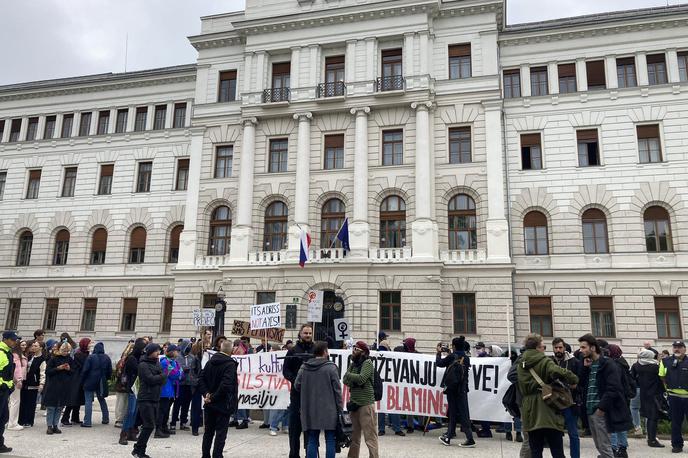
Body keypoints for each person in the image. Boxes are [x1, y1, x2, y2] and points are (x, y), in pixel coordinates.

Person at [517, 333, 578, 458]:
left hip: (529, 409)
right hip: (547, 406)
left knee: (535, 451)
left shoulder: (520, 364)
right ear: (537, 348)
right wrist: (573, 378)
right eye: (543, 347)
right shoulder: (544, 361)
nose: (544, 349)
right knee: (557, 450)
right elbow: (558, 371)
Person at [578, 334, 633, 458]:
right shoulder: (589, 365)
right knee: (600, 447)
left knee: (606, 448)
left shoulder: (607, 364)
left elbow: (613, 388)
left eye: (583, 347)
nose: (581, 350)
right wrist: (585, 368)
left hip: (601, 411)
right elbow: (580, 384)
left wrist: (601, 408)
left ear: (592, 348)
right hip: (590, 410)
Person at [294, 341, 342, 458]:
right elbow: (337, 391)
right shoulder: (331, 368)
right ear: (325, 352)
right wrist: (340, 408)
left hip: (310, 408)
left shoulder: (304, 367)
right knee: (330, 439)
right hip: (329, 409)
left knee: (312, 439)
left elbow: (296, 385)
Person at [199, 339, 238, 458]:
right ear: (231, 350)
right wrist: (211, 397)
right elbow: (226, 385)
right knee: (220, 434)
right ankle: (217, 455)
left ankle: (205, 455)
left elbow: (201, 379)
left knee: (208, 432)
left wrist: (206, 395)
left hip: (210, 403)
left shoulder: (210, 362)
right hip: (222, 403)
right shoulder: (230, 364)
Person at [283, 324, 315, 458]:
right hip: (296, 395)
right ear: (300, 334)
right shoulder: (292, 350)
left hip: (313, 395)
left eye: (309, 333)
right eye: (305, 333)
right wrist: (295, 380)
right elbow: (286, 370)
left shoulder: (316, 349)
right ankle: (294, 454)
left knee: (311, 429)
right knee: (295, 428)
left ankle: (310, 453)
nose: (308, 335)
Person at [436, 336, 474, 448]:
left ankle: (448, 437)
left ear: (454, 346)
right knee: (464, 413)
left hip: (452, 389)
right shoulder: (466, 358)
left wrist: (438, 353)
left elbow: (439, 363)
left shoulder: (452, 356)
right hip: (462, 389)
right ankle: (467, 437)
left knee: (452, 413)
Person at [343, 341, 379, 458]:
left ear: (363, 352)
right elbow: (345, 380)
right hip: (354, 404)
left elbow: (361, 378)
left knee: (370, 437)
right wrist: (350, 376)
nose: (353, 351)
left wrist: (349, 375)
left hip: (366, 404)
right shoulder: (353, 364)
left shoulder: (368, 363)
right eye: (353, 348)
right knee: (354, 436)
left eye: (356, 349)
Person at [133, 343, 167, 458]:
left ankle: (139, 449)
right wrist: (161, 376)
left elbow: (163, 379)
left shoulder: (157, 363)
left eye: (159, 351)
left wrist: (160, 377)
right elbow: (150, 379)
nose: (158, 353)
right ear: (150, 352)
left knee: (150, 425)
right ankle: (138, 450)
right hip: (145, 398)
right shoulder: (143, 365)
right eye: (156, 351)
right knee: (148, 425)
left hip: (155, 397)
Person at [551, 337, 581, 458]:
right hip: (555, 403)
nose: (558, 350)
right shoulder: (550, 361)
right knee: (556, 433)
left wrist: (574, 387)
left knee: (573, 434)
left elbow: (580, 381)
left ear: (564, 348)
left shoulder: (574, 362)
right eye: (556, 347)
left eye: (560, 347)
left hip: (570, 402)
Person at [631, 349, 665, 448]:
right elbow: (661, 379)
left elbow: (631, 378)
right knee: (653, 417)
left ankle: (647, 435)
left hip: (642, 393)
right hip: (654, 394)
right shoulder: (655, 367)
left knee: (645, 414)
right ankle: (652, 440)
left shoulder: (636, 366)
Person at [659, 339, 688, 453]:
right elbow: (661, 376)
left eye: (680, 347)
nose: (677, 349)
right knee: (676, 422)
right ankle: (677, 445)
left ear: (684, 349)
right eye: (675, 347)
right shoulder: (665, 361)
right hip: (674, 397)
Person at [607, 344, 635, 458]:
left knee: (613, 423)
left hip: (615, 397)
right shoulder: (623, 363)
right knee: (621, 424)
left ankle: (613, 448)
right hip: (623, 397)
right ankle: (623, 448)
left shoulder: (613, 365)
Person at [120, 338, 147, 446]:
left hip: (139, 387)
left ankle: (131, 432)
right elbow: (137, 370)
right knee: (130, 411)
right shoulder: (132, 358)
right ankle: (123, 433)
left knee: (135, 411)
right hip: (132, 387)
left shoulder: (141, 357)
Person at [376, 333, 403, 437]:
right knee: (391, 407)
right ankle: (396, 428)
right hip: (387, 383)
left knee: (384, 407)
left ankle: (382, 429)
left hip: (388, 383)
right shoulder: (389, 355)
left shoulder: (390, 356)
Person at [44, 342, 74, 435]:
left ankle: (55, 425)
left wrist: (69, 369)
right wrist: (58, 368)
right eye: (64, 351)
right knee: (51, 407)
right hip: (53, 385)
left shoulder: (70, 359)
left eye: (67, 351)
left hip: (64, 386)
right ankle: (49, 426)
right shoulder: (53, 359)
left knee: (59, 407)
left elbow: (73, 372)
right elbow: (48, 371)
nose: (66, 352)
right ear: (60, 350)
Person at [81, 342, 112, 427]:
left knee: (88, 401)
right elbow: (110, 371)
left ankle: (87, 422)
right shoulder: (107, 358)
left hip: (90, 381)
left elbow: (85, 370)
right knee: (102, 400)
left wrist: (82, 381)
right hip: (101, 381)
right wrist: (106, 379)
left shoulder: (91, 357)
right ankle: (105, 419)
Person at [62, 337, 89, 426]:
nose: (90, 345)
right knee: (72, 399)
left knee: (78, 399)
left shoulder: (84, 353)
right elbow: (83, 366)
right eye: (89, 344)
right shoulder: (80, 354)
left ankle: (75, 417)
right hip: (76, 379)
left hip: (79, 378)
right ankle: (65, 418)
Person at [171, 340, 196, 432]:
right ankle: (173, 423)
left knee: (186, 404)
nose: (189, 347)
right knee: (177, 404)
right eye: (188, 345)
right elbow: (174, 368)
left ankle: (183, 422)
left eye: (190, 345)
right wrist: (182, 370)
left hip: (189, 383)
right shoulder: (177, 357)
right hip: (179, 384)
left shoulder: (192, 357)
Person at [19, 339, 45, 427]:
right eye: (33, 346)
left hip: (34, 383)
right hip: (25, 382)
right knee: (23, 401)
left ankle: (29, 421)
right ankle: (21, 420)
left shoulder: (42, 359)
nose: (33, 347)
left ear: (40, 348)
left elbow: (42, 372)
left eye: (36, 346)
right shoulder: (29, 356)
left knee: (31, 403)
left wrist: (41, 384)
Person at [0, 331, 18, 453]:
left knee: (3, 417)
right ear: (5, 339)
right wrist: (3, 385)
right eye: (12, 339)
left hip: (4, 390)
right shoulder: (1, 352)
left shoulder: (8, 352)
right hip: (1, 389)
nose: (14, 342)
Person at [157, 344, 181, 437]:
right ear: (172, 352)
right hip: (164, 389)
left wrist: (178, 372)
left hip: (170, 389)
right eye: (176, 351)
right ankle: (158, 429)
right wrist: (178, 372)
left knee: (166, 410)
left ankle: (164, 427)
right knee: (162, 410)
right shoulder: (165, 362)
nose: (178, 352)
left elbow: (180, 374)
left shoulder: (174, 362)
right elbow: (174, 374)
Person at [7, 339, 27, 431]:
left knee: (12, 402)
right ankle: (12, 423)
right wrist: (18, 380)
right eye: (22, 345)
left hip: (13, 380)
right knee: (15, 401)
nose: (24, 346)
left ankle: (10, 421)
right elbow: (17, 369)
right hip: (16, 380)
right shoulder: (16, 355)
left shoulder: (14, 354)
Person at [114, 342, 135, 428]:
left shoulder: (123, 360)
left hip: (123, 384)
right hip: (123, 384)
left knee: (122, 402)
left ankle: (121, 419)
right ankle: (119, 419)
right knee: (121, 403)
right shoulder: (124, 361)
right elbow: (119, 373)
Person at [189, 340, 205, 436]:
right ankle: (195, 428)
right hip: (197, 387)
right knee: (196, 408)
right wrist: (198, 382)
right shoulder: (196, 359)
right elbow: (192, 374)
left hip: (207, 386)